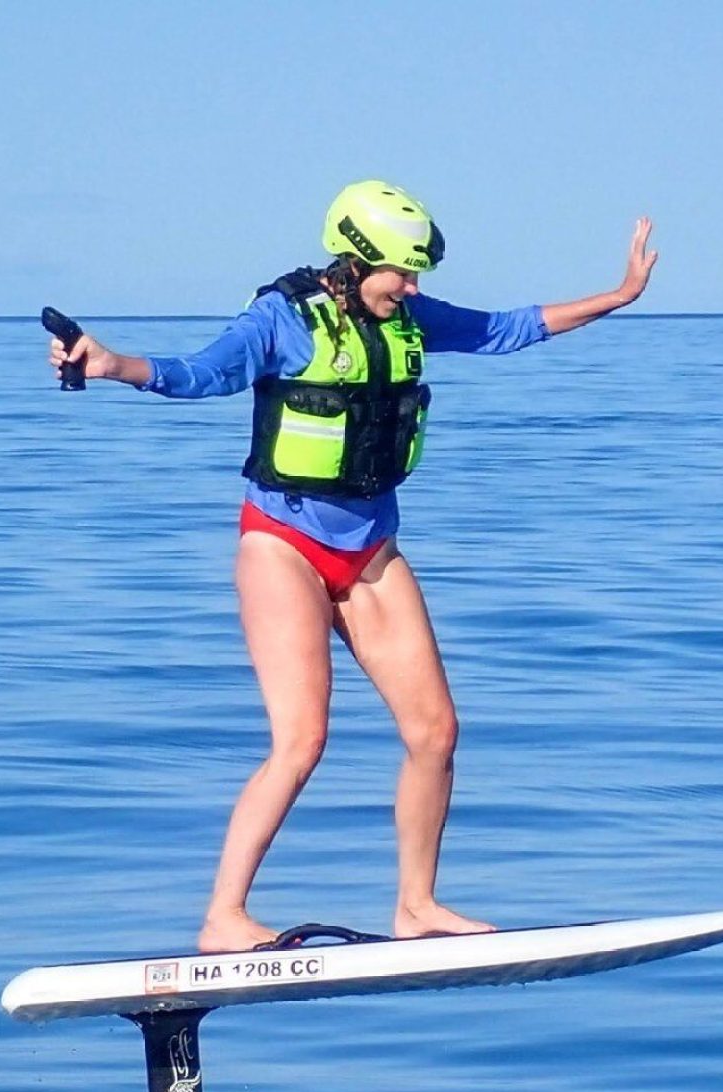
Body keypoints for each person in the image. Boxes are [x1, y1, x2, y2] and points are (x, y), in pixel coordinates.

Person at [49, 181, 657, 953]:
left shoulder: (405, 317)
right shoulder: (283, 320)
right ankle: (223, 917)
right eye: (399, 273)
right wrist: (108, 363)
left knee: (436, 731)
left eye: (416, 275)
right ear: (356, 258)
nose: (411, 289)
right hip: (284, 545)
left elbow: (509, 328)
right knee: (301, 741)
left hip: (370, 550)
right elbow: (198, 374)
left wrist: (620, 295)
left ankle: (417, 905)